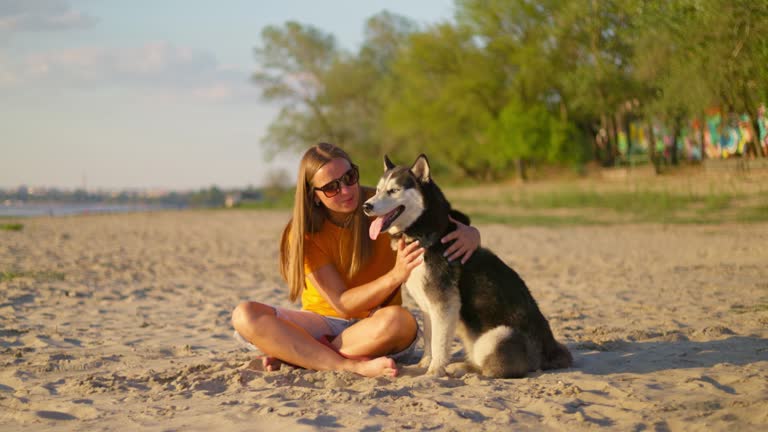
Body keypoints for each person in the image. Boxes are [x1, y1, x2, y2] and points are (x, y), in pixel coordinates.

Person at [231, 143, 480, 378]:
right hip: (322, 324)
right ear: (315, 195)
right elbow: (342, 304)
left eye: (350, 177)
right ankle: (345, 364)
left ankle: (301, 355)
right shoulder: (303, 233)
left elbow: (441, 221)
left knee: (400, 320)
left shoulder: (385, 203)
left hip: (377, 325)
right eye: (332, 187)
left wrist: (472, 234)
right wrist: (397, 274)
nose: (347, 190)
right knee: (245, 315)